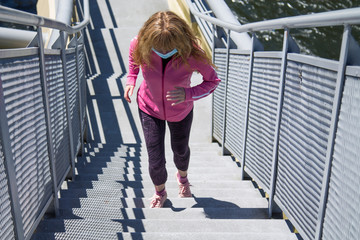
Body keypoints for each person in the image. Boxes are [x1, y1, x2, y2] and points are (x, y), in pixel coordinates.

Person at [124, 11, 221, 208]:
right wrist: (131, 79)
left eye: (167, 48)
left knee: (181, 151)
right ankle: (160, 192)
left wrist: (188, 93)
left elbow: (212, 81)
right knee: (155, 157)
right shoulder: (140, 42)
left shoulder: (192, 53)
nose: (161, 50)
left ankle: (183, 179)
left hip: (181, 111)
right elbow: (134, 58)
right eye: (157, 47)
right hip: (149, 108)